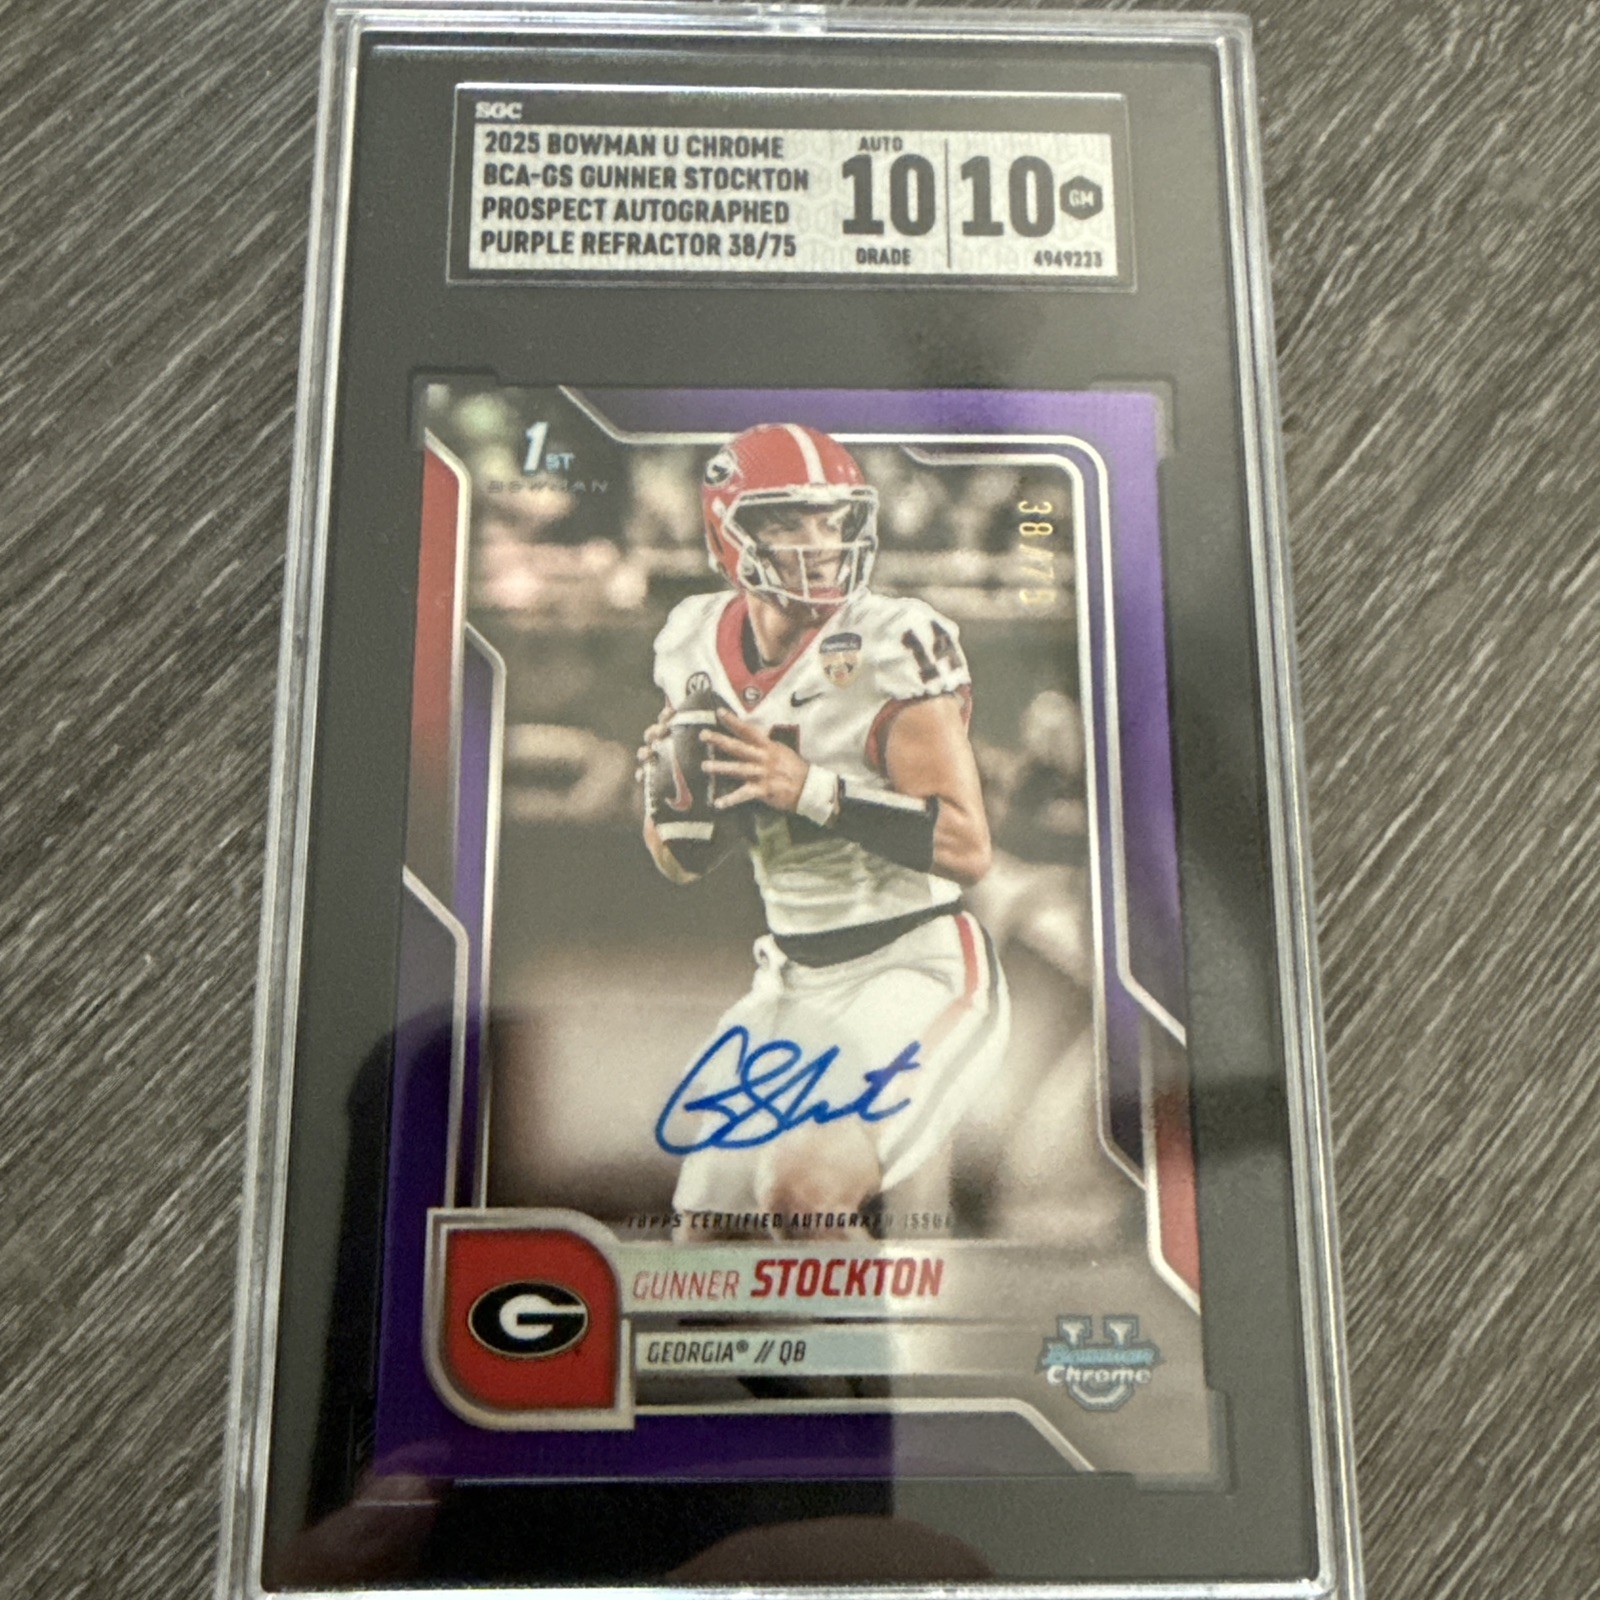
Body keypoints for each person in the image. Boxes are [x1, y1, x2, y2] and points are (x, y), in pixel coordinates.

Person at [638, 424, 1010, 1240]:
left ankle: (883, 1332)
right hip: (790, 979)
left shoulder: (892, 639)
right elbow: (677, 864)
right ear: (728, 532)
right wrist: (672, 794)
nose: (820, 543)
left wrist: (807, 789)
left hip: (913, 966)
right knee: (708, 1237)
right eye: (787, 521)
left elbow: (966, 846)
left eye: (833, 520)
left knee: (804, 1194)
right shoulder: (691, 640)